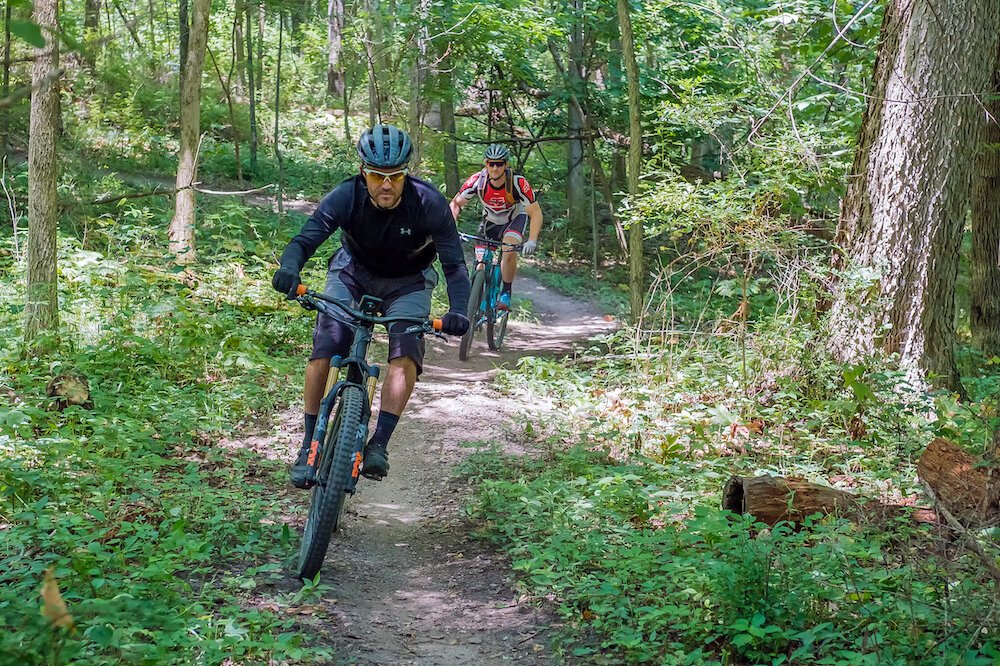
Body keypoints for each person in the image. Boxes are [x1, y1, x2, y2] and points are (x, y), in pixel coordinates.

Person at [272, 124, 470, 488]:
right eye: (377, 175)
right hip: (352, 273)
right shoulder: (346, 196)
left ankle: (379, 443)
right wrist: (289, 269)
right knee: (326, 348)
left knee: (405, 353)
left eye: (395, 176)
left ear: (405, 173)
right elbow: (306, 240)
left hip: (408, 282)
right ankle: (308, 444)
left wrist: (458, 310)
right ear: (363, 171)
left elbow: (455, 266)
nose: (386, 185)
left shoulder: (429, 203)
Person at [449, 144, 543, 311]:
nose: (495, 168)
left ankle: (506, 291)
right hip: (490, 221)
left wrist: (532, 241)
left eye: (499, 164)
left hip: (514, 219)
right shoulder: (477, 180)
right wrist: (450, 228)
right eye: (491, 163)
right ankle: (475, 304)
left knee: (508, 250)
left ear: (506, 165)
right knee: (480, 264)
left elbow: (535, 213)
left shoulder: (517, 183)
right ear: (486, 164)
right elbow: (456, 203)